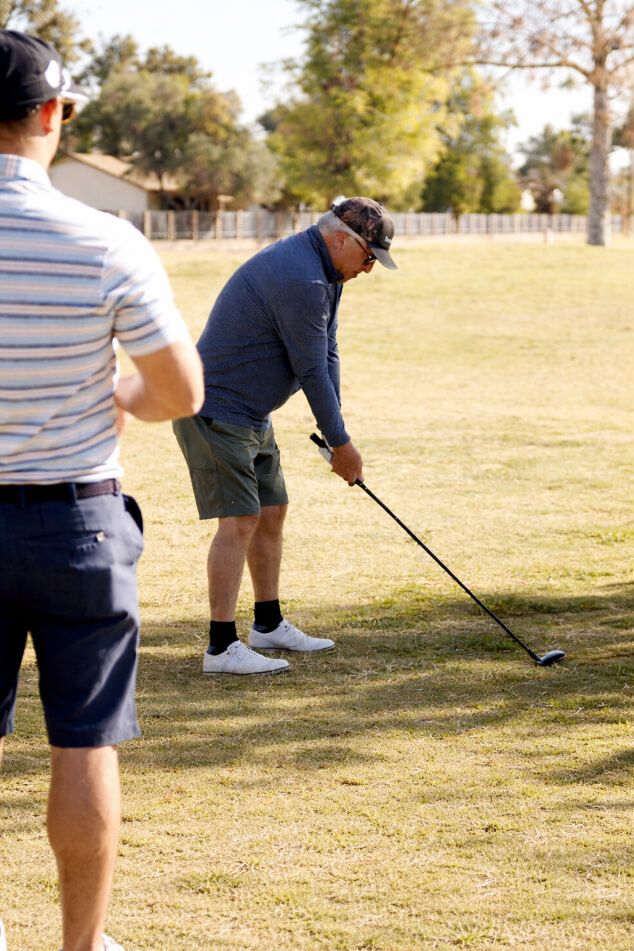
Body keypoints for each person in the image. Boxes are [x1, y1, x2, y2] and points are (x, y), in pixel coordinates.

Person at [0, 30, 204, 951]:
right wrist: (121, 394)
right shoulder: (105, 239)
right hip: (77, 522)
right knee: (83, 740)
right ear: (52, 114)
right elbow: (180, 393)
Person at [173, 195, 397, 676]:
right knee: (240, 520)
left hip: (252, 412)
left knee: (272, 511)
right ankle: (220, 648)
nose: (368, 270)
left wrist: (334, 432)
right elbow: (310, 369)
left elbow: (327, 348)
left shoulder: (327, 273)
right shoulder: (302, 279)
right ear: (342, 239)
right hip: (217, 410)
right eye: (368, 257)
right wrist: (341, 444)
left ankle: (268, 624)